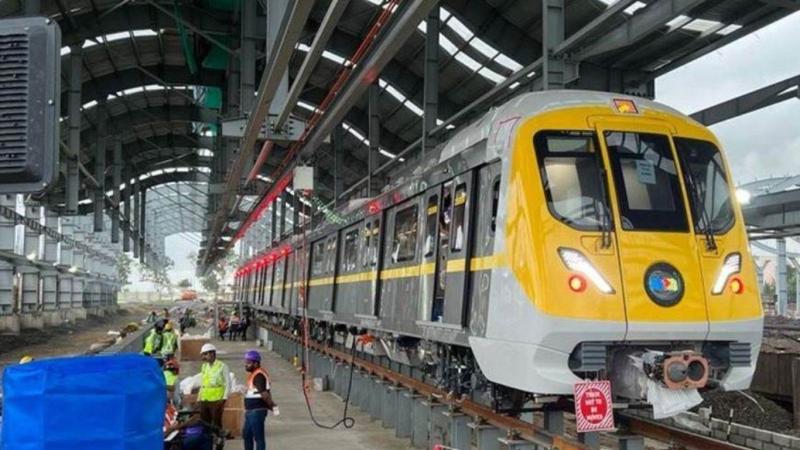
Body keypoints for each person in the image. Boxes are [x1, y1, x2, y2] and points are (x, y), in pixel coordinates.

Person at [242, 350, 276, 450]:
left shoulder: (259, 375)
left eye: (248, 363)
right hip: (251, 411)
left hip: (256, 411)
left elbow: (264, 394)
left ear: (256, 363)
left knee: (258, 437)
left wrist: (273, 406)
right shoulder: (254, 374)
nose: (246, 365)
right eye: (246, 362)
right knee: (247, 435)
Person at [197, 343, 229, 431]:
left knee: (216, 422)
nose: (203, 357)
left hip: (217, 400)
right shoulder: (204, 366)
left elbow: (227, 383)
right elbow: (203, 383)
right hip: (205, 399)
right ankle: (208, 438)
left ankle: (218, 437)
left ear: (212, 353)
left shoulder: (222, 366)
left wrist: (224, 398)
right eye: (203, 354)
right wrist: (199, 398)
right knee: (204, 422)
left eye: (205, 354)